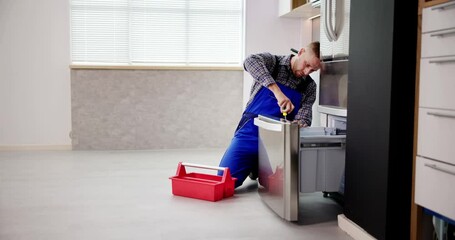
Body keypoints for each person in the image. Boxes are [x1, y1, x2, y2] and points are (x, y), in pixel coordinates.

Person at [218, 41, 322, 188]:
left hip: (278, 142)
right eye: (306, 64)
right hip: (251, 132)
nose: (306, 72)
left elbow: (304, 116)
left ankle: (256, 165)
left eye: (312, 70)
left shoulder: (309, 86)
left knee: (279, 186)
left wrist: (299, 123)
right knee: (223, 181)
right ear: (300, 52)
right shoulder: (274, 63)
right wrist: (277, 92)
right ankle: (255, 163)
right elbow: (249, 61)